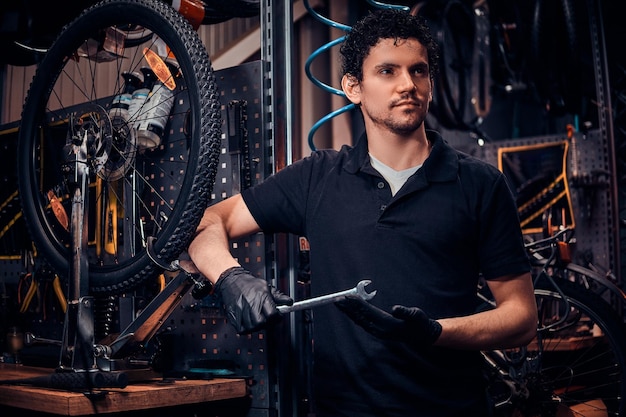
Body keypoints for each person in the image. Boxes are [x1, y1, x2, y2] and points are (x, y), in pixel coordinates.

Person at [187, 8, 537, 417]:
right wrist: (229, 278)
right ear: (353, 87)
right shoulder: (316, 178)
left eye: (418, 71)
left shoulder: (480, 184)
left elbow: (522, 318)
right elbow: (208, 222)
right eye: (388, 71)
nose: (408, 84)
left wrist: (435, 333)